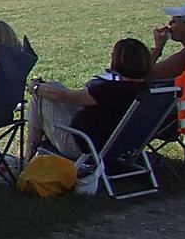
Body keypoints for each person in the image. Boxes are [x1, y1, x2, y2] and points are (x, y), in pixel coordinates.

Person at [24, 38, 153, 162]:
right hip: (119, 145)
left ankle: (27, 157)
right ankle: (35, 155)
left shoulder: (111, 90)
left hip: (81, 146)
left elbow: (65, 97)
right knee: (53, 86)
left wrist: (35, 87)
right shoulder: (148, 91)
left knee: (40, 97)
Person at [151, 1, 185, 139]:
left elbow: (143, 74)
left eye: (175, 21)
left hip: (168, 118)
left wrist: (158, 47)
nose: (170, 23)